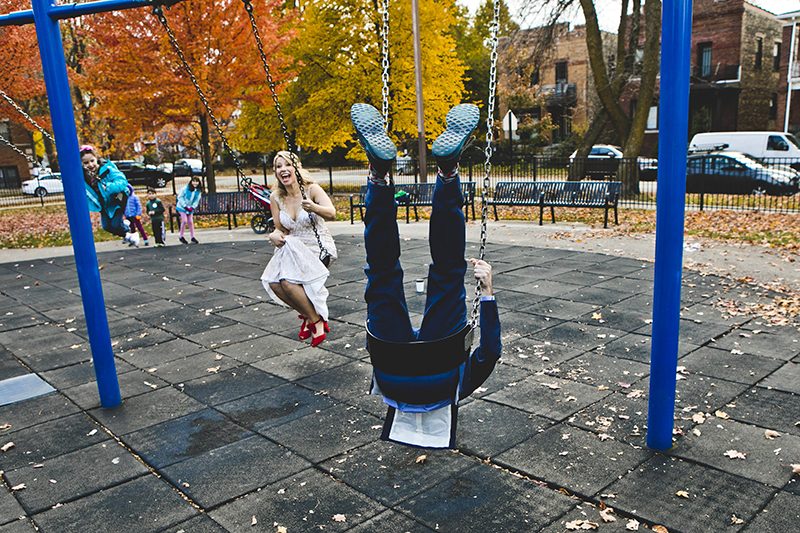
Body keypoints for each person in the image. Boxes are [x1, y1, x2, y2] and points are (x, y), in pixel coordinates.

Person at [351, 102, 502, 448]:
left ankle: (448, 172)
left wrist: (489, 293)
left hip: (443, 356)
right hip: (389, 357)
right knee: (382, 271)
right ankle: (378, 175)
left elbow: (490, 351)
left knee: (448, 270)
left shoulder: (457, 391)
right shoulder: (387, 392)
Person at [260, 151, 338, 348]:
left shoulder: (311, 189)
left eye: (287, 165)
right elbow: (280, 228)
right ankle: (307, 315)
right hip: (293, 246)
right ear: (275, 172)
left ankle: (316, 320)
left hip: (317, 245)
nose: (283, 169)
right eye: (278, 166)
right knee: (274, 283)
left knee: (287, 282)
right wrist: (273, 235)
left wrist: (314, 207)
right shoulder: (276, 197)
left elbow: (332, 213)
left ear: (297, 168)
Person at [80, 145, 131, 238]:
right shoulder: (85, 176)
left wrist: (110, 186)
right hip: (103, 204)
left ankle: (127, 230)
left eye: (92, 161)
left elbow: (122, 181)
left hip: (116, 200)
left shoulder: (107, 169)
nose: (90, 165)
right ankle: (126, 232)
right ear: (82, 164)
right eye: (86, 163)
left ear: (96, 159)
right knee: (106, 227)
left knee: (116, 224)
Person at [176, 176, 202, 244]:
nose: (195, 183)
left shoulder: (198, 191)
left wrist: (192, 207)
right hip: (182, 207)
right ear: (191, 182)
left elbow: (196, 200)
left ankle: (192, 237)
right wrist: (184, 205)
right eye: (193, 181)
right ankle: (181, 236)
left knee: (190, 222)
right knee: (184, 221)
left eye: (197, 181)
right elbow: (180, 197)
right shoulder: (185, 188)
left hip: (190, 208)